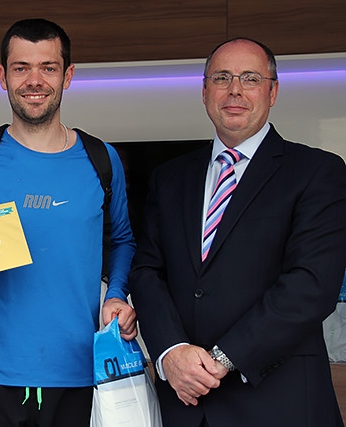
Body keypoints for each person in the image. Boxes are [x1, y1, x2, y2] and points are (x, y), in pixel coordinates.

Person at [129, 37, 346, 427]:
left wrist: (221, 359)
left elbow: (312, 284)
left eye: (250, 78)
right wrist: (171, 352)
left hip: (279, 402)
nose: (235, 90)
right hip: (184, 403)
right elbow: (147, 271)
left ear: (273, 91)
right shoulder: (169, 178)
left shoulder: (318, 172)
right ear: (204, 90)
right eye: (222, 77)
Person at [0, 18, 136, 427]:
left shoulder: (102, 160)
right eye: (21, 67)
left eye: (48, 67)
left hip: (78, 371)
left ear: (68, 75)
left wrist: (116, 294)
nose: (34, 80)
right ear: (1, 76)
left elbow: (123, 240)